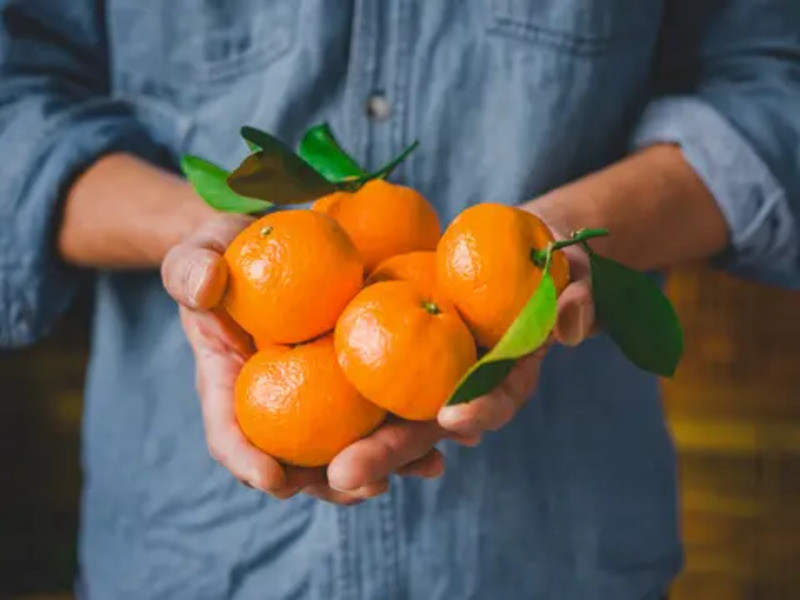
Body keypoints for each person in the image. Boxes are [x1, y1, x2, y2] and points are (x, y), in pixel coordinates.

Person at [2, 1, 798, 599]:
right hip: (191, 554)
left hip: (551, 552)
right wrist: (199, 240)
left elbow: (775, 86)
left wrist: (556, 248)